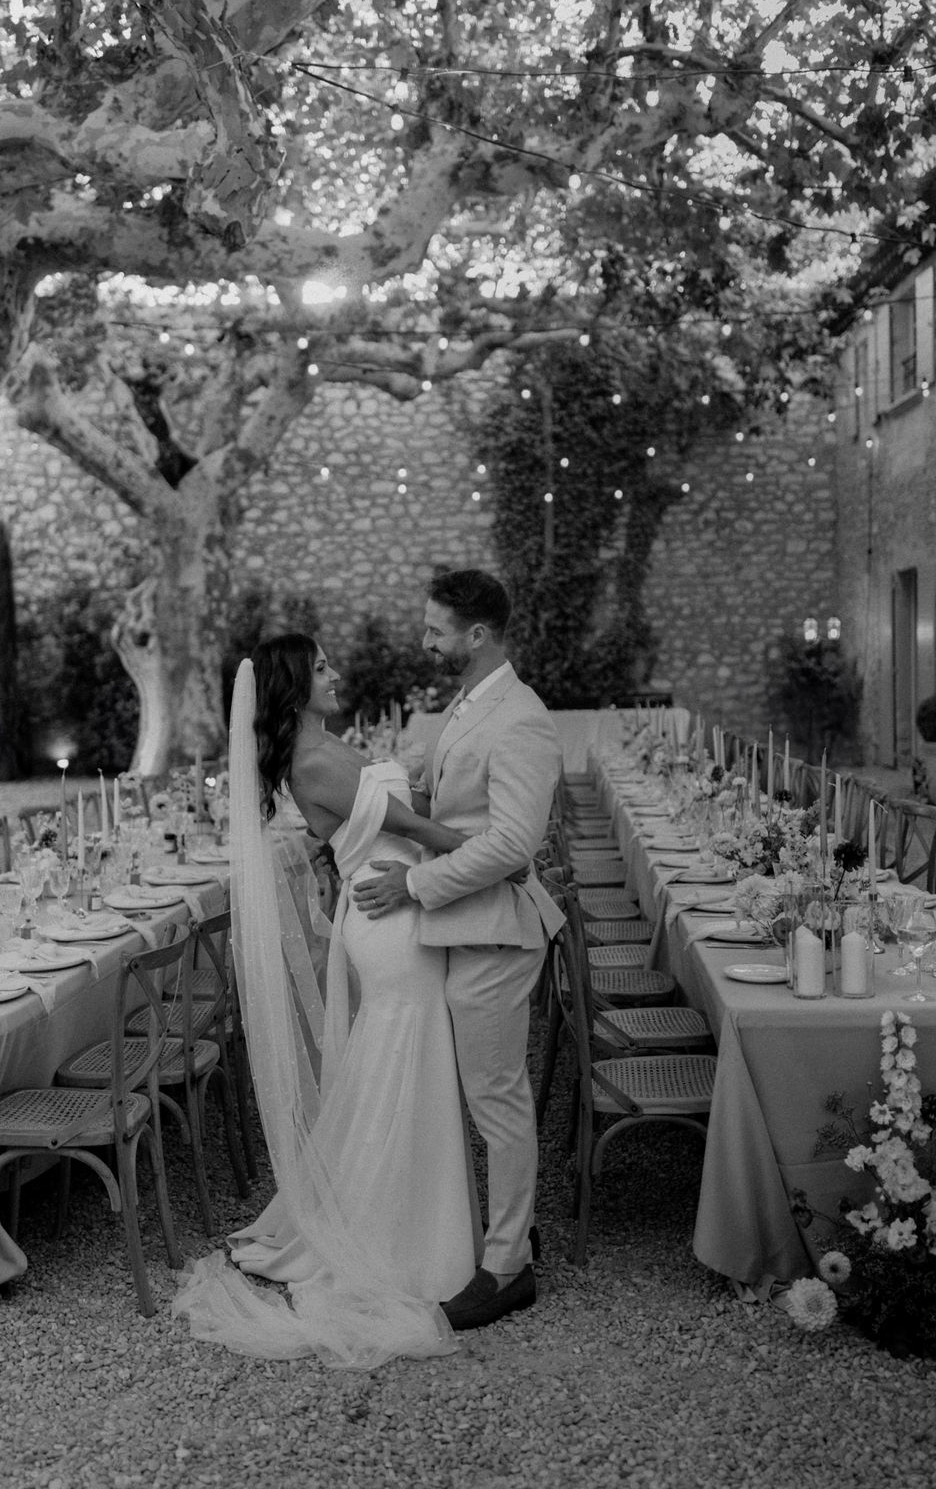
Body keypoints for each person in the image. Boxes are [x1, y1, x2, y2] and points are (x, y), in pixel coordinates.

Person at [173, 634, 490, 1368]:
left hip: (397, 906)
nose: (337, 672)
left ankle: (407, 1216)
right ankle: (398, 1236)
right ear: (294, 686)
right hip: (391, 918)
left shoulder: (326, 745)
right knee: (402, 1060)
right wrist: (496, 859)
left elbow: (398, 810)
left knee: (399, 1062)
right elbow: (408, 827)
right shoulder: (314, 759)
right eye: (322, 668)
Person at [351, 569, 565, 1331]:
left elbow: (512, 843)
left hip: (495, 931)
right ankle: (510, 1227)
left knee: (496, 1101)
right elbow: (451, 800)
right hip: (467, 927)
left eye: (437, 628)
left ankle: (508, 1267)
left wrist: (415, 886)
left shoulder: (522, 718)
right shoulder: (470, 705)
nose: (426, 639)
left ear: (478, 636)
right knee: (485, 1094)